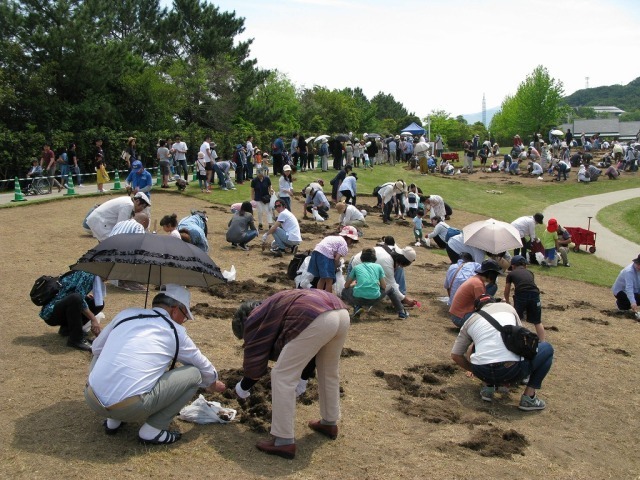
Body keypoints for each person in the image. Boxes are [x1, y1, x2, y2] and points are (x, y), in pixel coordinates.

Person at [85, 284, 225, 444]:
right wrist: (213, 383)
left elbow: (96, 348)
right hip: (130, 408)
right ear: (175, 310)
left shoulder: (126, 314)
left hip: (92, 398)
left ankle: (113, 421)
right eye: (184, 316)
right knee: (195, 374)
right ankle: (153, 430)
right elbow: (203, 367)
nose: (183, 322)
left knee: (103, 353)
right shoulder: (175, 330)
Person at [231, 289, 349, 459]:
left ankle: (283, 440)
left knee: (282, 376)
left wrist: (242, 388)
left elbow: (255, 362)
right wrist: (303, 378)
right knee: (328, 370)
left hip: (316, 315)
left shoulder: (254, 319)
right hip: (340, 312)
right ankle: (329, 423)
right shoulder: (274, 307)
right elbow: (310, 352)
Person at [451, 296, 554, 410]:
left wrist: (474, 370)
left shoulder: (470, 320)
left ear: (477, 309)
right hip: (510, 370)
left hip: (482, 371)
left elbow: (455, 355)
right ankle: (529, 397)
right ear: (493, 302)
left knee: (479, 345)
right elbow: (521, 339)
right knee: (547, 348)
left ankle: (488, 386)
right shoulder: (508, 308)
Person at [39, 270, 105, 351]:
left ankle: (67, 329)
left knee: (97, 303)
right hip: (51, 313)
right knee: (75, 298)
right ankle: (76, 339)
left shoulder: (92, 275)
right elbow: (78, 298)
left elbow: (73, 291)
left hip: (63, 306)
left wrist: (85, 297)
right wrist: (93, 320)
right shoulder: (88, 275)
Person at [350, 244, 417, 319]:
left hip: (360, 265)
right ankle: (401, 312)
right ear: (403, 262)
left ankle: (358, 305)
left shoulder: (393, 251)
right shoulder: (386, 263)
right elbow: (392, 285)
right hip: (357, 264)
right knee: (390, 289)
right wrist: (405, 299)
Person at [449, 259, 502, 327]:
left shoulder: (476, 279)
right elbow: (484, 307)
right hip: (460, 318)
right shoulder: (478, 285)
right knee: (489, 318)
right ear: (491, 274)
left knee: (493, 287)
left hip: (457, 315)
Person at [504, 255, 545, 340]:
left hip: (521, 294)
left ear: (513, 266)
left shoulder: (511, 274)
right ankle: (543, 341)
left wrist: (507, 301)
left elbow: (507, 290)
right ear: (525, 265)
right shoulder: (530, 272)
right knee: (537, 322)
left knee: (517, 318)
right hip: (535, 294)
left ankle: (515, 339)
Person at [307, 226, 359, 293]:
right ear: (349, 238)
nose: (351, 243)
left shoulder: (332, 237)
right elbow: (336, 259)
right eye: (352, 240)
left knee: (322, 277)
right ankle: (330, 298)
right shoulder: (343, 244)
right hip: (326, 256)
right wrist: (334, 268)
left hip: (316, 253)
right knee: (329, 280)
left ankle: (319, 294)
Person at [85, 193, 151, 242]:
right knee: (110, 243)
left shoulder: (128, 200)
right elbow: (121, 226)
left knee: (106, 243)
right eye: (142, 206)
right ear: (137, 201)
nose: (142, 209)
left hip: (99, 220)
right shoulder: (128, 205)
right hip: (100, 221)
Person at [342, 247, 386, 317]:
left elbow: (346, 286)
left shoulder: (357, 267)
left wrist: (353, 284)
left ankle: (356, 306)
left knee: (344, 291)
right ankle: (401, 311)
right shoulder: (378, 267)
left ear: (361, 257)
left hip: (358, 298)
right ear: (374, 257)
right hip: (374, 298)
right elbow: (384, 286)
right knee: (391, 290)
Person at [611, 254, 640, 318]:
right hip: (620, 291)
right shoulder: (629, 272)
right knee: (626, 306)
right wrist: (633, 302)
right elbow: (629, 288)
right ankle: (620, 303)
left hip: (634, 290)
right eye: (638, 264)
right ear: (635, 262)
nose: (639, 267)